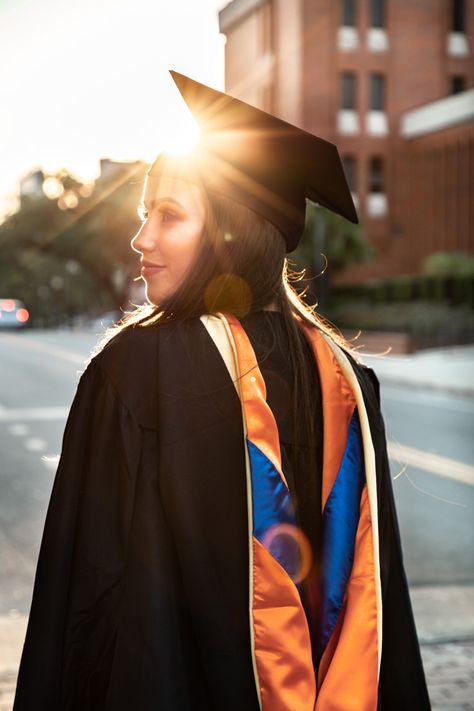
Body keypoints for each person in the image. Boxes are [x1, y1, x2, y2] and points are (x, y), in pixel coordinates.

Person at [13, 71, 431, 711]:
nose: (141, 239)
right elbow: (384, 622)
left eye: (169, 215)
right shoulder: (347, 377)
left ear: (232, 232)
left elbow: (84, 603)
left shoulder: (136, 371)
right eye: (143, 214)